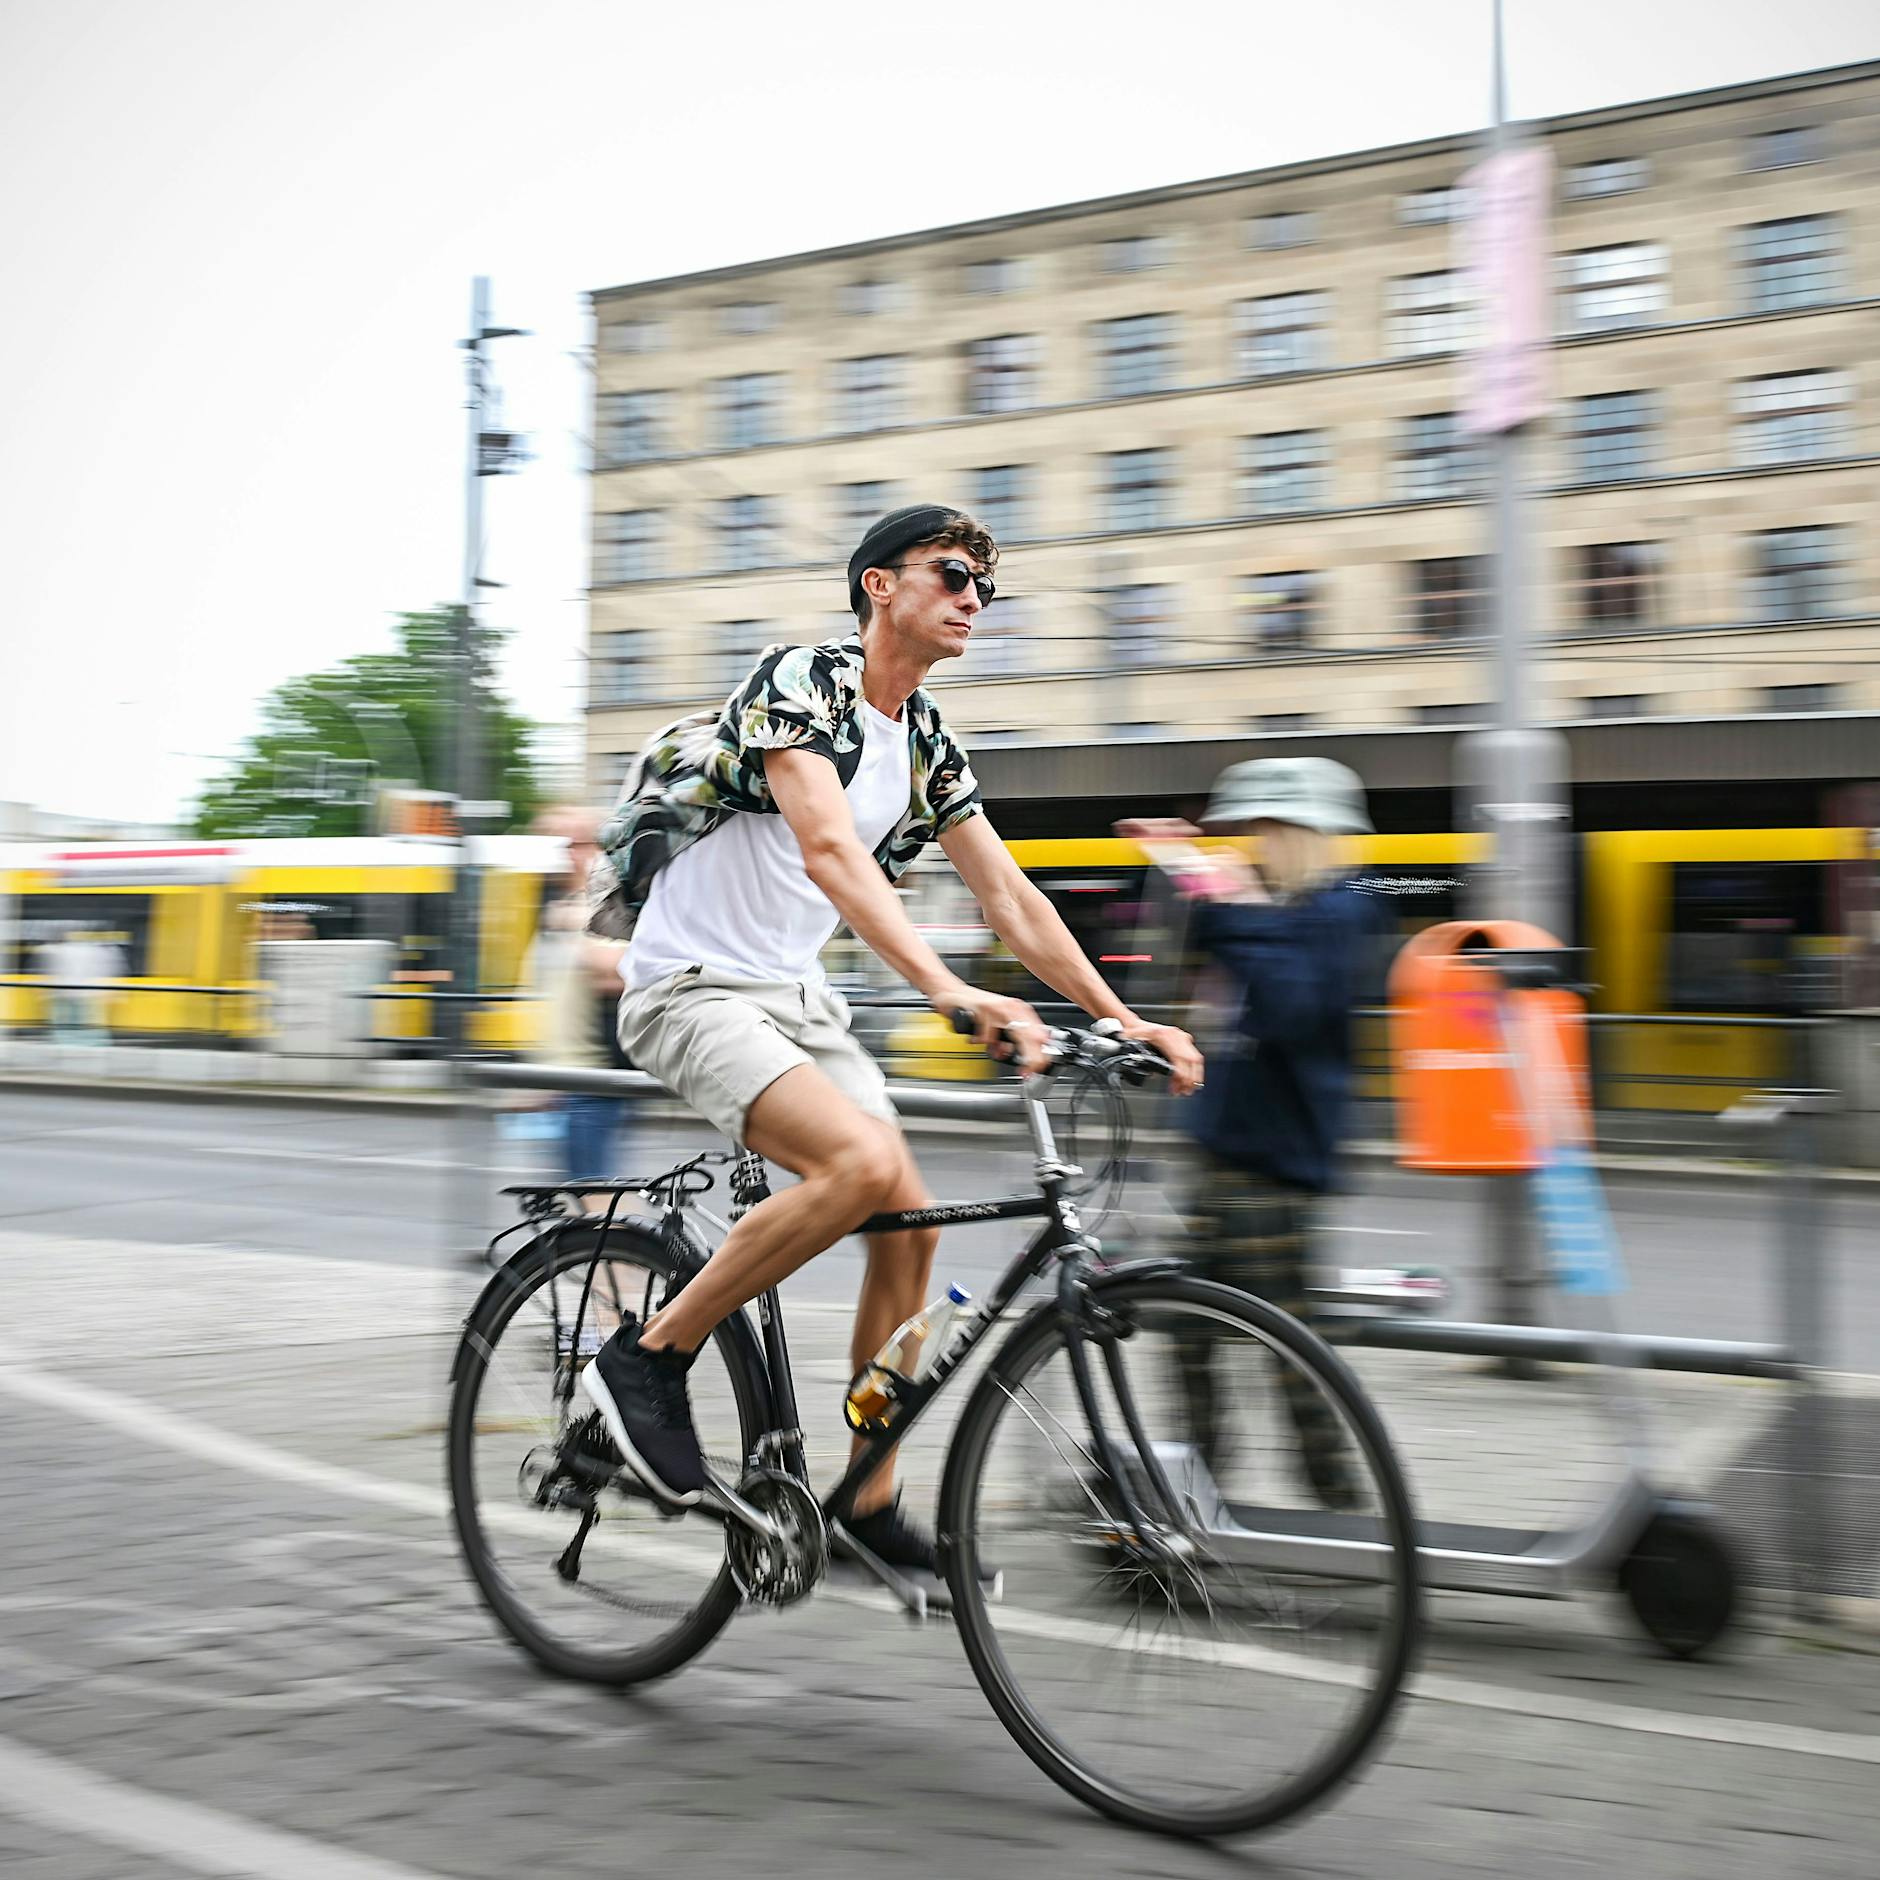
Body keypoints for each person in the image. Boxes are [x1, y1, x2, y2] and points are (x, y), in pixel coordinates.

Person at [579, 503, 1202, 1574]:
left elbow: (1007, 894)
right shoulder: (800, 681)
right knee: (859, 1163)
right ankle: (646, 1355)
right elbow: (826, 847)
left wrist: (1120, 1016)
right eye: (954, 574)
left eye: (985, 589)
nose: (972, 600)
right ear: (879, 583)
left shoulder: (923, 737)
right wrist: (950, 993)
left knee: (907, 1222)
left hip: (793, 997)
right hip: (689, 987)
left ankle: (866, 1492)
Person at [1118, 756, 1382, 1510]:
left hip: (1273, 1166)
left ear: (1299, 834)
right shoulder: (1279, 908)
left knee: (1287, 1349)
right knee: (1194, 1329)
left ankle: (1340, 1501)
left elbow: (1292, 1006)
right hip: (1224, 1156)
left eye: (1261, 831)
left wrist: (1215, 896)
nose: (1248, 846)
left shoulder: (1341, 907)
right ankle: (1200, 1486)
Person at [528, 806, 631, 1199]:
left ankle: (638, 1260)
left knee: (595, 1203)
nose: (569, 853)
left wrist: (582, 935)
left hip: (593, 1079)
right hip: (565, 1081)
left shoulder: (606, 904)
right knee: (585, 1200)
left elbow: (623, 969)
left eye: (578, 843)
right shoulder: (564, 901)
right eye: (562, 844)